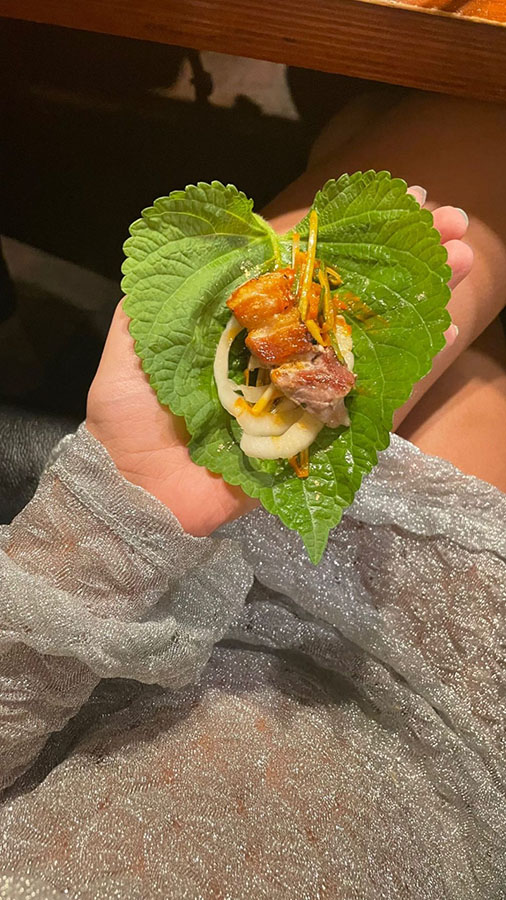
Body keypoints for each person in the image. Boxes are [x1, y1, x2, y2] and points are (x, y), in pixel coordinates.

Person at [0, 91, 504, 899]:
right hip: (454, 738)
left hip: (139, 608)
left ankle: (349, 116)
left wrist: (119, 510)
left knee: (437, 144)